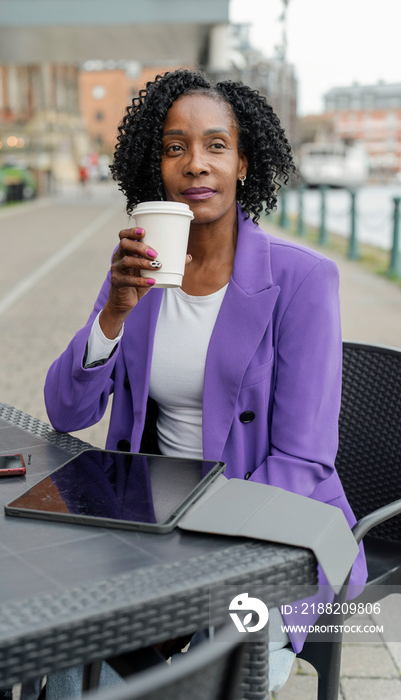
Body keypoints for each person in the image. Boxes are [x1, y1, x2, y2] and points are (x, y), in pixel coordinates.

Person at [44, 69, 367, 697]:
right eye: (175, 148)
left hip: (269, 532)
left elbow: (303, 459)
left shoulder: (303, 281)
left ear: (244, 162)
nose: (196, 164)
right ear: (155, 169)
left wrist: (190, 543)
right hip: (150, 527)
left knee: (210, 680)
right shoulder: (140, 271)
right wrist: (113, 313)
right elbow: (66, 411)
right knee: (66, 655)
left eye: (216, 145)